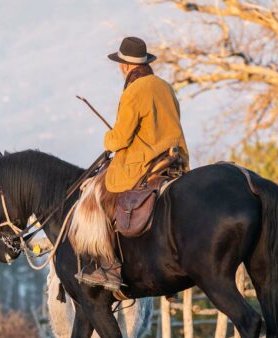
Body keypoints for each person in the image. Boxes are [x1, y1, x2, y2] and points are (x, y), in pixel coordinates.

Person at [70, 36, 189, 292]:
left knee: (95, 192)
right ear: (145, 62)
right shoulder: (165, 86)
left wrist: (108, 139)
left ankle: (109, 266)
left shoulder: (133, 91)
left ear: (124, 66)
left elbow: (120, 138)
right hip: (174, 158)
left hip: (145, 162)